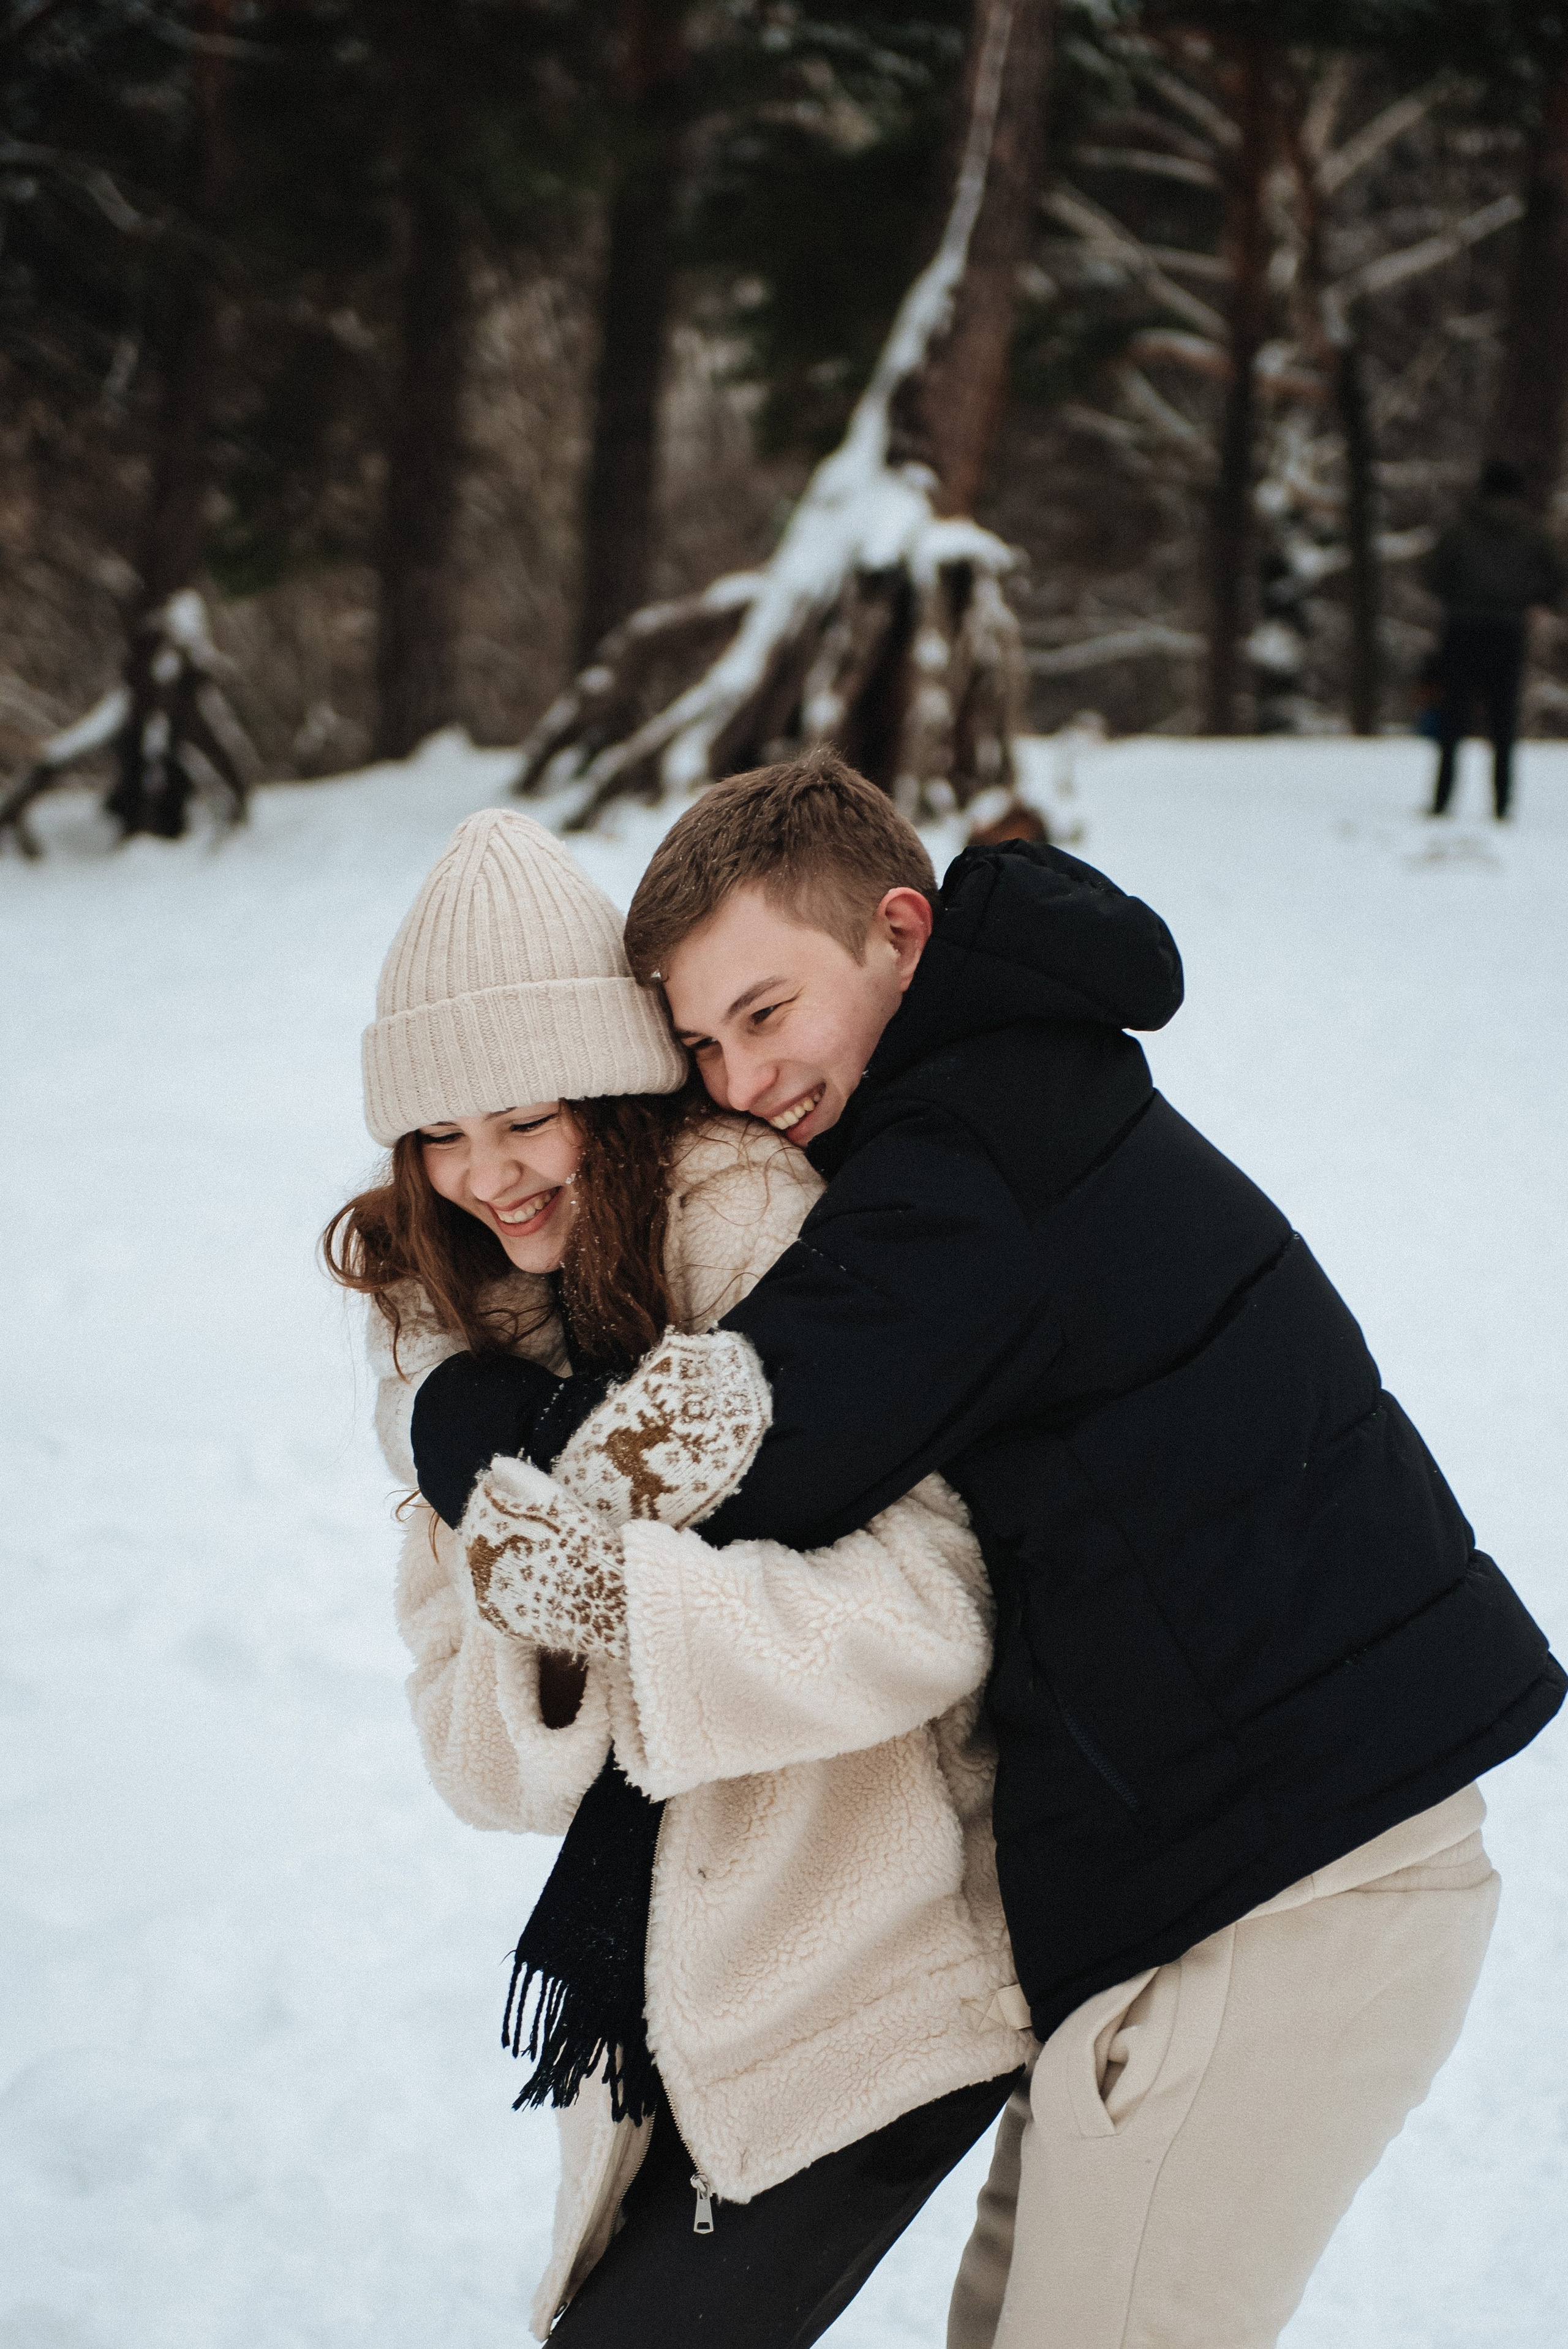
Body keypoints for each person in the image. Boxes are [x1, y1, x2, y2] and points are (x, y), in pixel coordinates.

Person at [461, 753, 1564, 2349]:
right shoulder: (1005, 1095)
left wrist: (488, 1430)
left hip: (1296, 1885)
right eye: (701, 1045)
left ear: (898, 932)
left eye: (764, 1012)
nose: (738, 1077)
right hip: (1213, 1885)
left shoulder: (975, 1151)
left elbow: (764, 1437)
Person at [326, 806, 1033, 2347]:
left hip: (870, 1973)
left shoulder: (752, 1232)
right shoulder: (464, 1340)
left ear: (607, 1085)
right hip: (665, 1996)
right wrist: (530, 1551)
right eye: (439, 1132)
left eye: (524, 1114)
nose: (487, 1174)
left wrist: (615, 1590)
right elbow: (484, 1759)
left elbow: (938, 1609)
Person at [1425, 456, 1564, 820]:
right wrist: (1526, 599)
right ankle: (1502, 803)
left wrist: (1457, 597)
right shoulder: (1534, 531)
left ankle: (1443, 798)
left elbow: (1433, 574)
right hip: (1509, 630)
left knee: (1453, 716)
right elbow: (1555, 577)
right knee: (1504, 719)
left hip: (1462, 628)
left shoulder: (1460, 526)